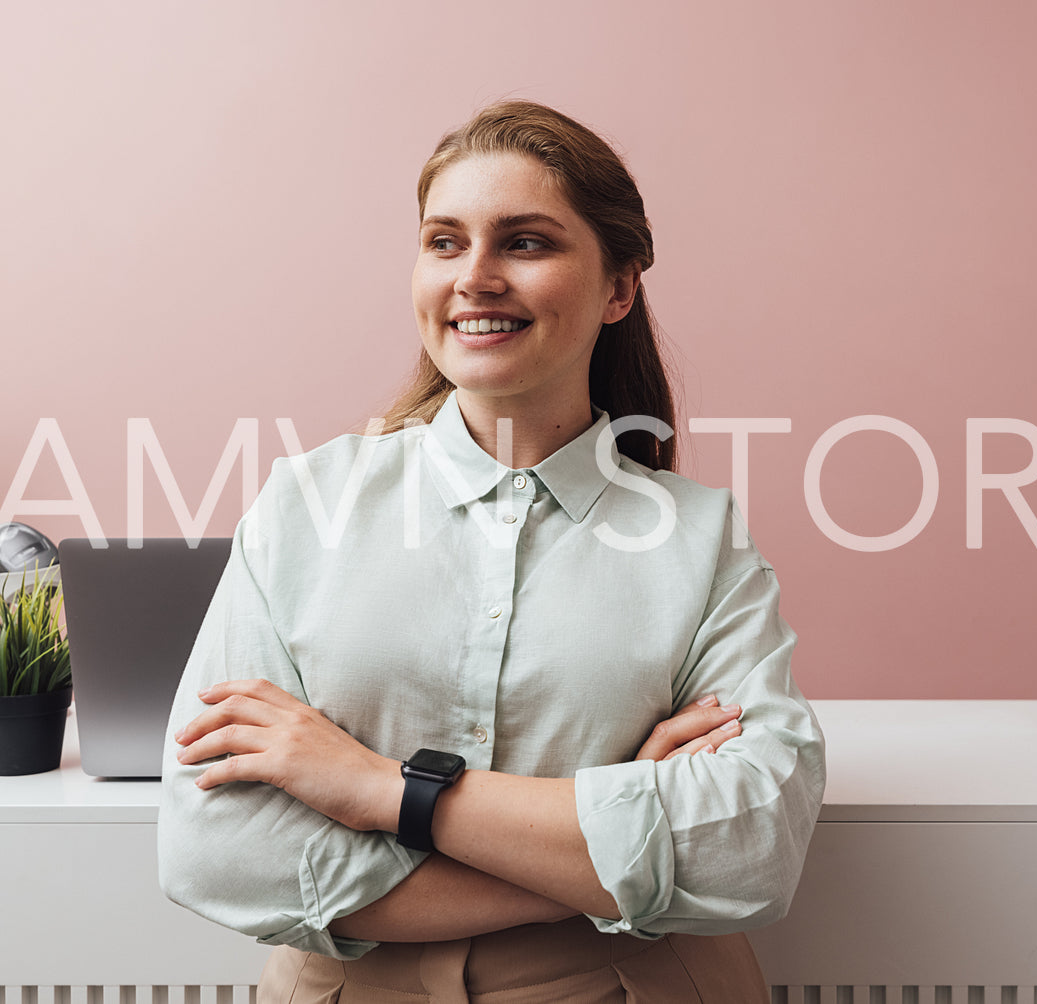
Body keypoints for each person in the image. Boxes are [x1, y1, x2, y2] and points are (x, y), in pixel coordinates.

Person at [157, 100, 826, 1003]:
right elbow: (220, 850)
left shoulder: (700, 539)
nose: (475, 277)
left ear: (618, 288)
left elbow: (750, 849)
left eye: (525, 242)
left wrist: (382, 791)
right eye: (444, 242)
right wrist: (606, 843)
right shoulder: (304, 505)